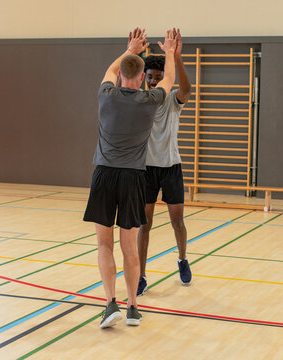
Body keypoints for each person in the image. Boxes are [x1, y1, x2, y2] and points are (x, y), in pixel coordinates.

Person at [83, 28, 176, 328]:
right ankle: (133, 307)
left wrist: (130, 48)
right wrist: (171, 52)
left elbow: (111, 69)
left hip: (104, 175)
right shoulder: (149, 101)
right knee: (129, 246)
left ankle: (110, 303)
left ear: (123, 76)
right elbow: (170, 80)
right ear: (141, 79)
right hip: (135, 178)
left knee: (103, 244)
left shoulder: (105, 96)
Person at [137, 28, 192, 296]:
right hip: (145, 169)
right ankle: (141, 274)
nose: (154, 81)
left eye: (159, 78)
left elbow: (187, 88)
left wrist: (176, 58)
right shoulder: (140, 100)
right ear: (144, 78)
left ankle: (182, 259)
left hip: (171, 167)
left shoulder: (172, 100)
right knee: (144, 224)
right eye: (150, 77)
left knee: (176, 221)